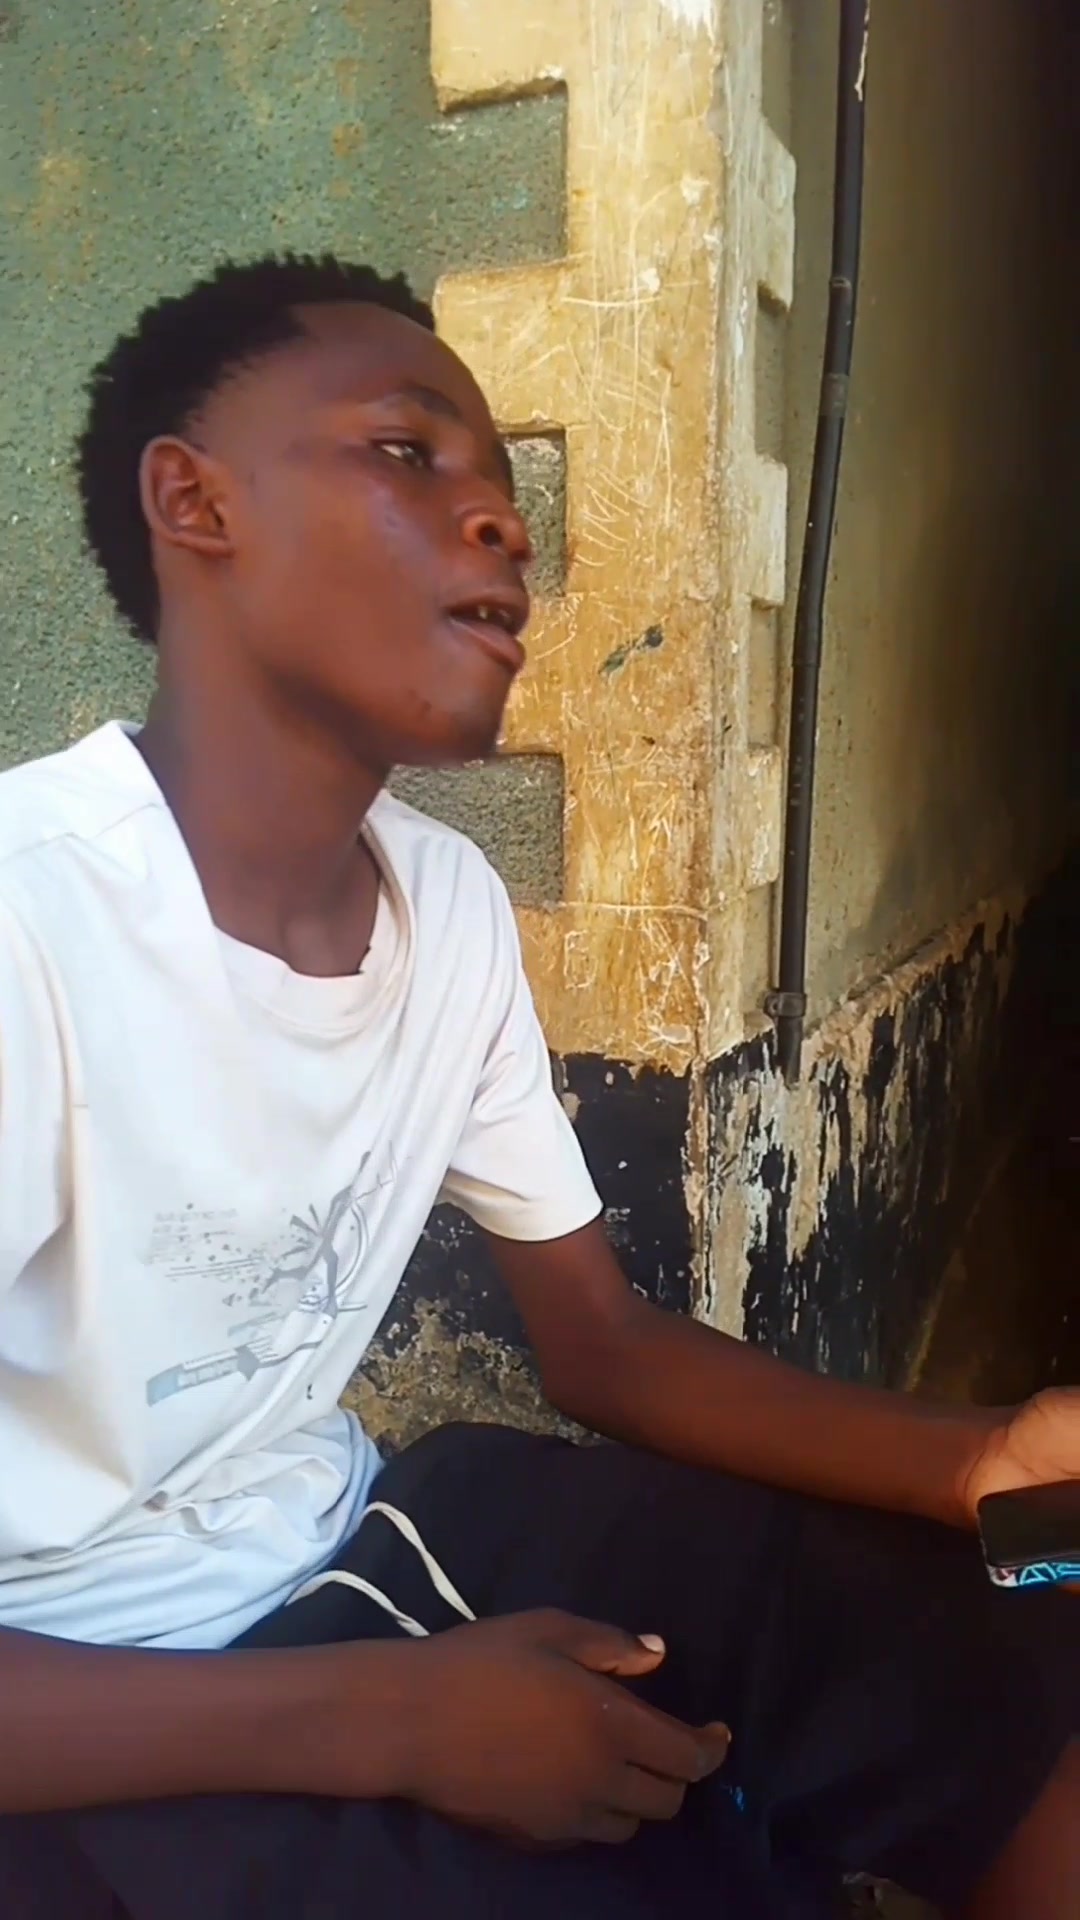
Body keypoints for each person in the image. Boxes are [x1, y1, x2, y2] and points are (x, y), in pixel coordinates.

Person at [0, 254, 1075, 1920]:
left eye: (503, 482)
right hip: (88, 1702)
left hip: (354, 1534)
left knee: (1003, 1651)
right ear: (194, 504)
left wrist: (979, 1458)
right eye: (407, 451)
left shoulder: (445, 906)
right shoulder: (31, 923)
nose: (506, 524)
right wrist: (390, 1721)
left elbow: (604, 1343)